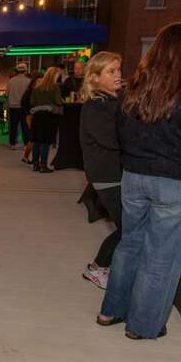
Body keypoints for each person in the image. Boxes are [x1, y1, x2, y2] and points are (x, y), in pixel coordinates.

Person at [98, 21, 181, 340]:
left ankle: (111, 310)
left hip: (133, 177)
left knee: (130, 244)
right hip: (175, 182)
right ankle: (144, 325)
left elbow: (121, 134)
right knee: (163, 255)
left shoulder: (133, 88)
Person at [78, 52, 123, 290]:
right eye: (111, 71)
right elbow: (112, 139)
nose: (118, 75)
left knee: (129, 228)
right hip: (108, 177)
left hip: (117, 175)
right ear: (95, 78)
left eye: (118, 70)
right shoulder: (96, 106)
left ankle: (102, 266)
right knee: (129, 229)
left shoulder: (113, 101)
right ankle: (97, 267)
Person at [30, 67, 62, 173]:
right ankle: (44, 165)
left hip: (37, 116)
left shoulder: (37, 86)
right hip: (48, 117)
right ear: (55, 75)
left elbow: (32, 102)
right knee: (45, 142)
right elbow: (58, 102)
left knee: (37, 141)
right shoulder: (55, 87)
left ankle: (35, 165)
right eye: (58, 75)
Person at [6, 62, 32, 149]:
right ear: (25, 71)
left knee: (13, 126)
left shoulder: (11, 81)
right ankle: (26, 144)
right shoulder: (28, 81)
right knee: (25, 126)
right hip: (24, 107)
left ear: (17, 70)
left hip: (13, 106)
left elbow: (7, 94)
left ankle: (12, 143)